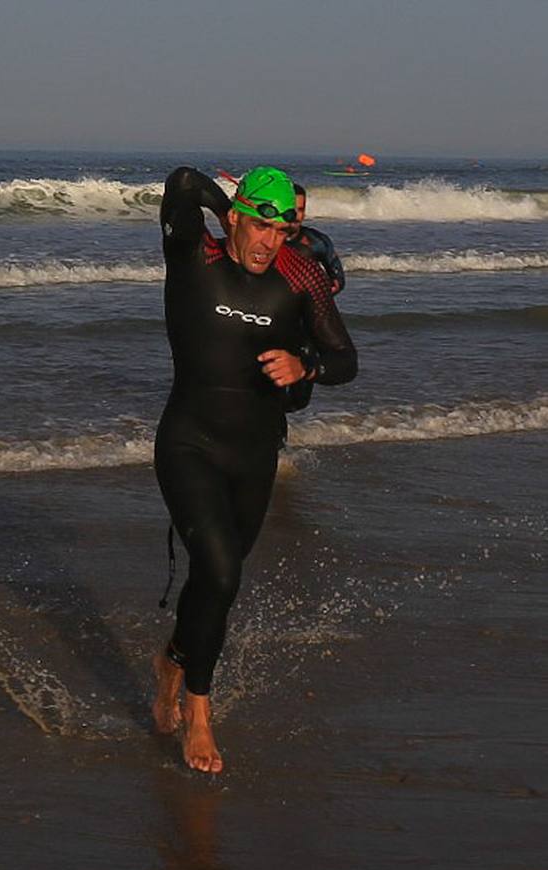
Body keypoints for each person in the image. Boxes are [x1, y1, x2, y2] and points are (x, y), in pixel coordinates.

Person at [152, 165, 357, 773]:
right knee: (217, 569)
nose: (271, 243)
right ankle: (199, 713)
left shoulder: (300, 278)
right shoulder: (194, 257)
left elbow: (346, 359)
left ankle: (172, 658)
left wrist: (306, 365)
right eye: (261, 226)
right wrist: (226, 206)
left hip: (254, 455)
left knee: (219, 580)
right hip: (188, 444)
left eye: (283, 230)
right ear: (237, 219)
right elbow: (181, 180)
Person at [286, 184, 345, 296]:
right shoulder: (268, 240)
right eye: (291, 210)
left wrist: (320, 293)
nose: (296, 216)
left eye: (300, 210)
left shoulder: (317, 241)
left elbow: (338, 279)